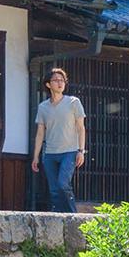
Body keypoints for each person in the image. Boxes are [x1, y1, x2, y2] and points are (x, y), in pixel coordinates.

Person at [31, 67, 86, 213]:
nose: (60, 83)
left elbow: (81, 128)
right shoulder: (43, 107)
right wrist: (36, 156)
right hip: (49, 153)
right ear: (48, 84)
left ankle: (73, 217)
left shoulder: (74, 102)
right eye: (56, 80)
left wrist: (81, 151)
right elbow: (40, 133)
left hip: (69, 152)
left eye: (62, 80)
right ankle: (59, 217)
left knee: (63, 184)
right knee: (54, 189)